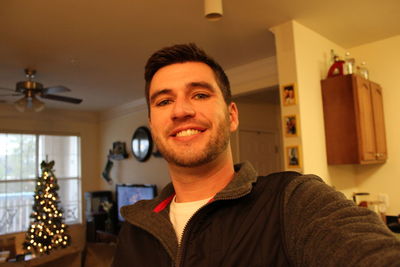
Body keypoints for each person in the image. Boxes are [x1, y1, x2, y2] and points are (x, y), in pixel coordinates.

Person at [112, 43, 400, 266]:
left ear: (232, 116)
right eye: (164, 101)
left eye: (200, 95)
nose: (181, 110)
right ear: (153, 127)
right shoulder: (135, 229)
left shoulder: (294, 201)